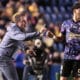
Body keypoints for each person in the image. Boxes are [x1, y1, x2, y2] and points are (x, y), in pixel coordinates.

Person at [0, 11, 43, 80]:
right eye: (23, 21)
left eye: (25, 21)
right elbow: (23, 37)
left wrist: (26, 49)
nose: (25, 23)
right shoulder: (13, 30)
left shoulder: (15, 30)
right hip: (4, 59)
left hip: (4, 58)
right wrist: (39, 33)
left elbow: (19, 42)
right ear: (17, 22)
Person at [60, 2, 80, 80]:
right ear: (75, 11)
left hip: (79, 57)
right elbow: (60, 38)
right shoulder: (65, 23)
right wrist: (53, 37)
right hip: (67, 56)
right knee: (63, 78)